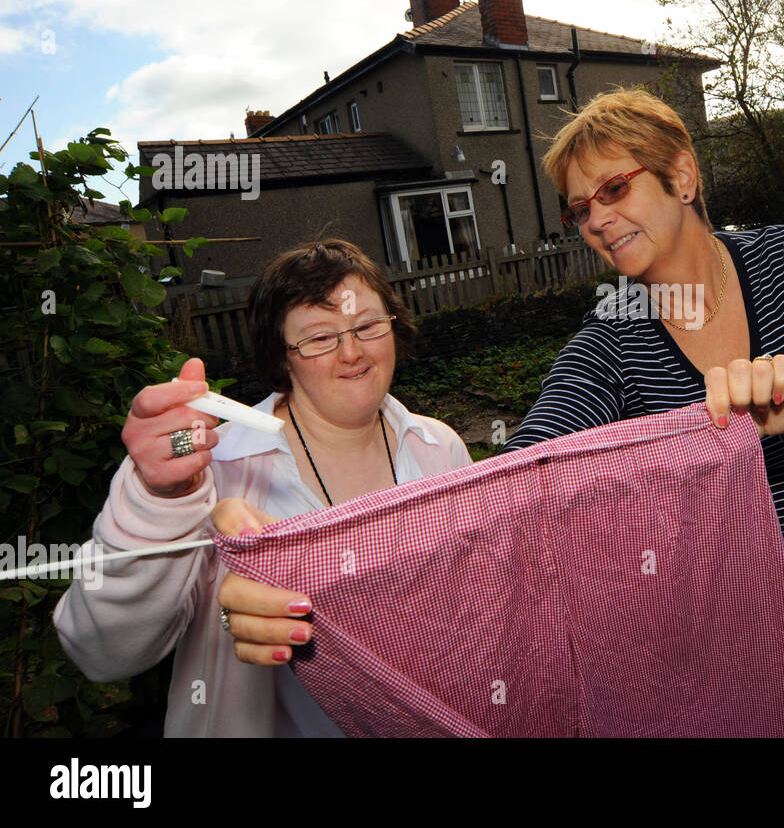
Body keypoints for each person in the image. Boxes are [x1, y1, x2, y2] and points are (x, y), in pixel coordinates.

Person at [499, 88, 784, 737]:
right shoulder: (612, 339)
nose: (596, 219)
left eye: (614, 189)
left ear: (681, 176)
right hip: (725, 637)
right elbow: (528, 461)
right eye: (579, 208)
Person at [53, 239, 471, 737]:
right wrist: (158, 498)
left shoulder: (438, 447)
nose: (353, 351)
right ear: (282, 358)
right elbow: (103, 653)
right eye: (319, 338)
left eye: (366, 326)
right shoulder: (215, 469)